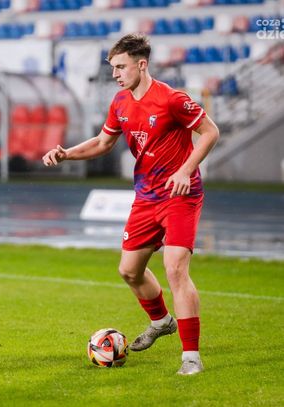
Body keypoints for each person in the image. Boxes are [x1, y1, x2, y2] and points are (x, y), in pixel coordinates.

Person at [42, 34, 219, 375]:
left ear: (142, 64)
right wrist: (67, 154)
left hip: (180, 195)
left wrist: (186, 170)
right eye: (112, 68)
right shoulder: (121, 102)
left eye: (121, 67)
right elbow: (103, 142)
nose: (115, 74)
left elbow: (211, 132)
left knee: (175, 269)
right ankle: (162, 322)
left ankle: (191, 357)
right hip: (146, 197)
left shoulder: (172, 99)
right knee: (129, 271)